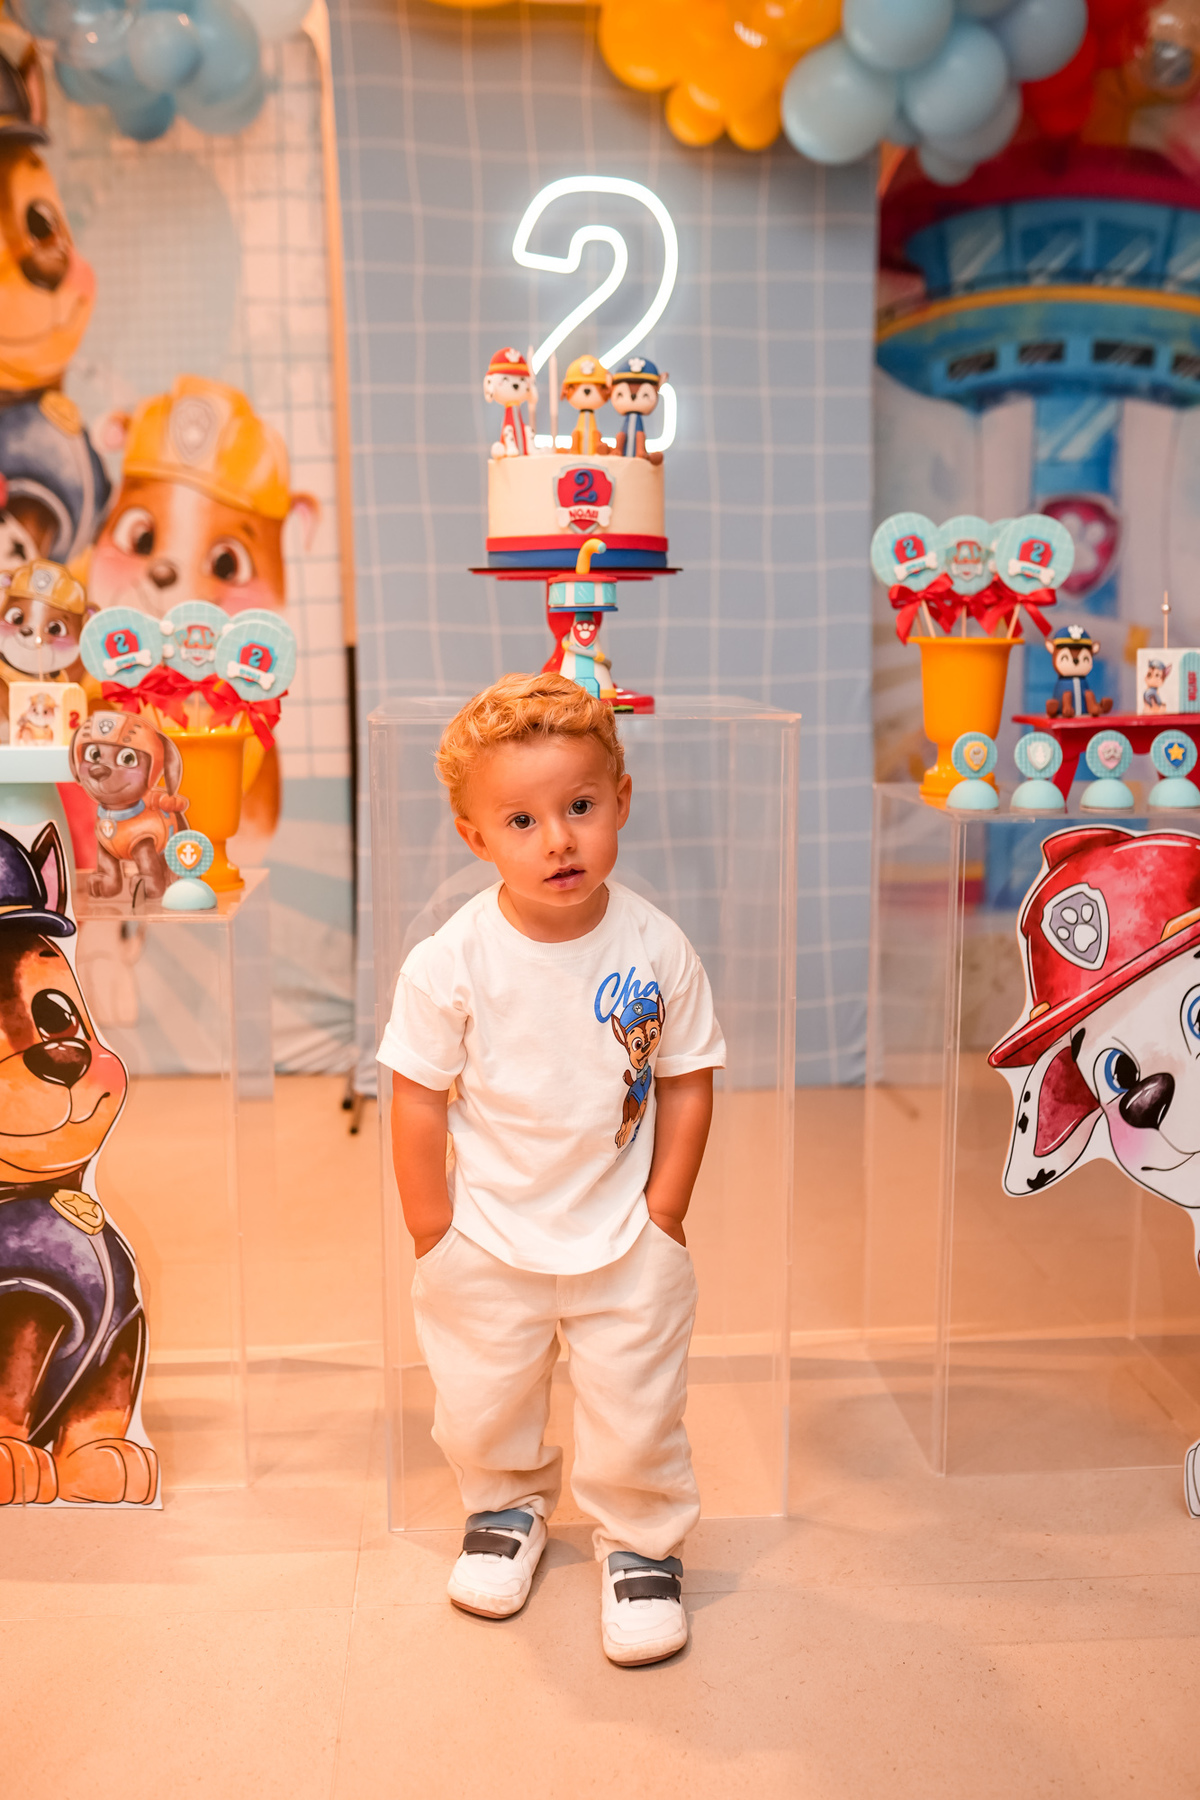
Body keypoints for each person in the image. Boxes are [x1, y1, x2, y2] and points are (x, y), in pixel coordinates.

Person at [378, 672, 724, 1666]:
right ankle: (503, 1505)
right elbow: (416, 1094)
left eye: (579, 807)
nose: (558, 841)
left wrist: (665, 1212)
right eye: (521, 821)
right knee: (481, 1393)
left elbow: (689, 1079)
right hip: (487, 1234)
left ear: (622, 799)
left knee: (638, 1402)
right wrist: (432, 1229)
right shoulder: (450, 960)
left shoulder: (656, 946)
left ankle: (643, 1542)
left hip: (625, 1237)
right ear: (475, 836)